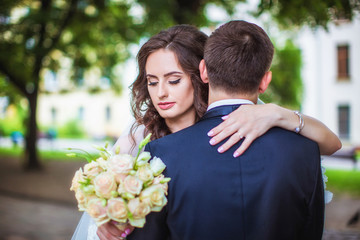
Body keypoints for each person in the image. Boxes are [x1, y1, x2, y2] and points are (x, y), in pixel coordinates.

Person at [74, 24, 341, 240]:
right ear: (264, 80)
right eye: (152, 82)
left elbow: (332, 143)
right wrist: (111, 220)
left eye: (174, 80)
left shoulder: (258, 121)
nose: (161, 93)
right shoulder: (144, 144)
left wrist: (276, 113)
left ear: (202, 71)